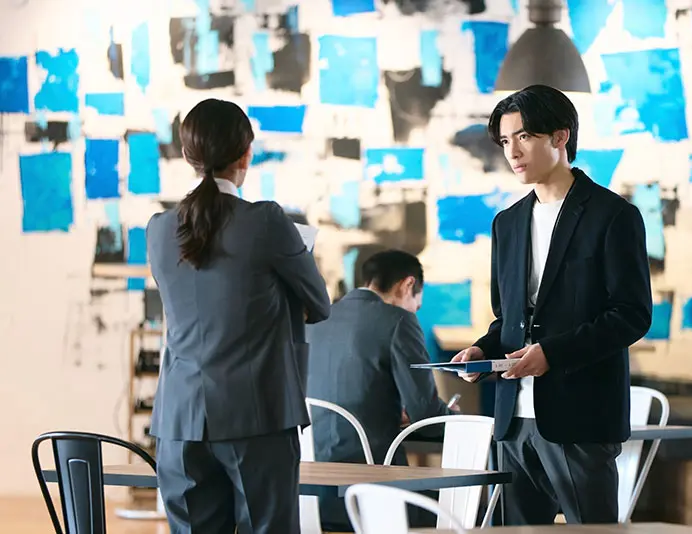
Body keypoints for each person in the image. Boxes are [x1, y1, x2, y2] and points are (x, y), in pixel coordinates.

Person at [452, 85, 652, 525]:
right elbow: (508, 319)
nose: (513, 152)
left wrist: (552, 354)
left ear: (561, 136)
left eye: (524, 137)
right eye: (506, 141)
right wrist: (483, 350)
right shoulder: (507, 223)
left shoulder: (613, 215)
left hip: (580, 415)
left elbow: (631, 315)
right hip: (512, 418)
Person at [146, 98, 331, 534]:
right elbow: (319, 304)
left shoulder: (158, 228)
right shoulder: (266, 220)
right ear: (246, 154)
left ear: (188, 155)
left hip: (179, 420)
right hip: (257, 417)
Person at [306, 249, 457, 531]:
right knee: (464, 509)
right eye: (416, 305)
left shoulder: (315, 320)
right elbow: (426, 416)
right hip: (373, 493)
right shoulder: (398, 320)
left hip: (310, 496)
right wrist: (452, 416)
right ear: (408, 284)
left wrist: (384, 412)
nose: (414, 311)